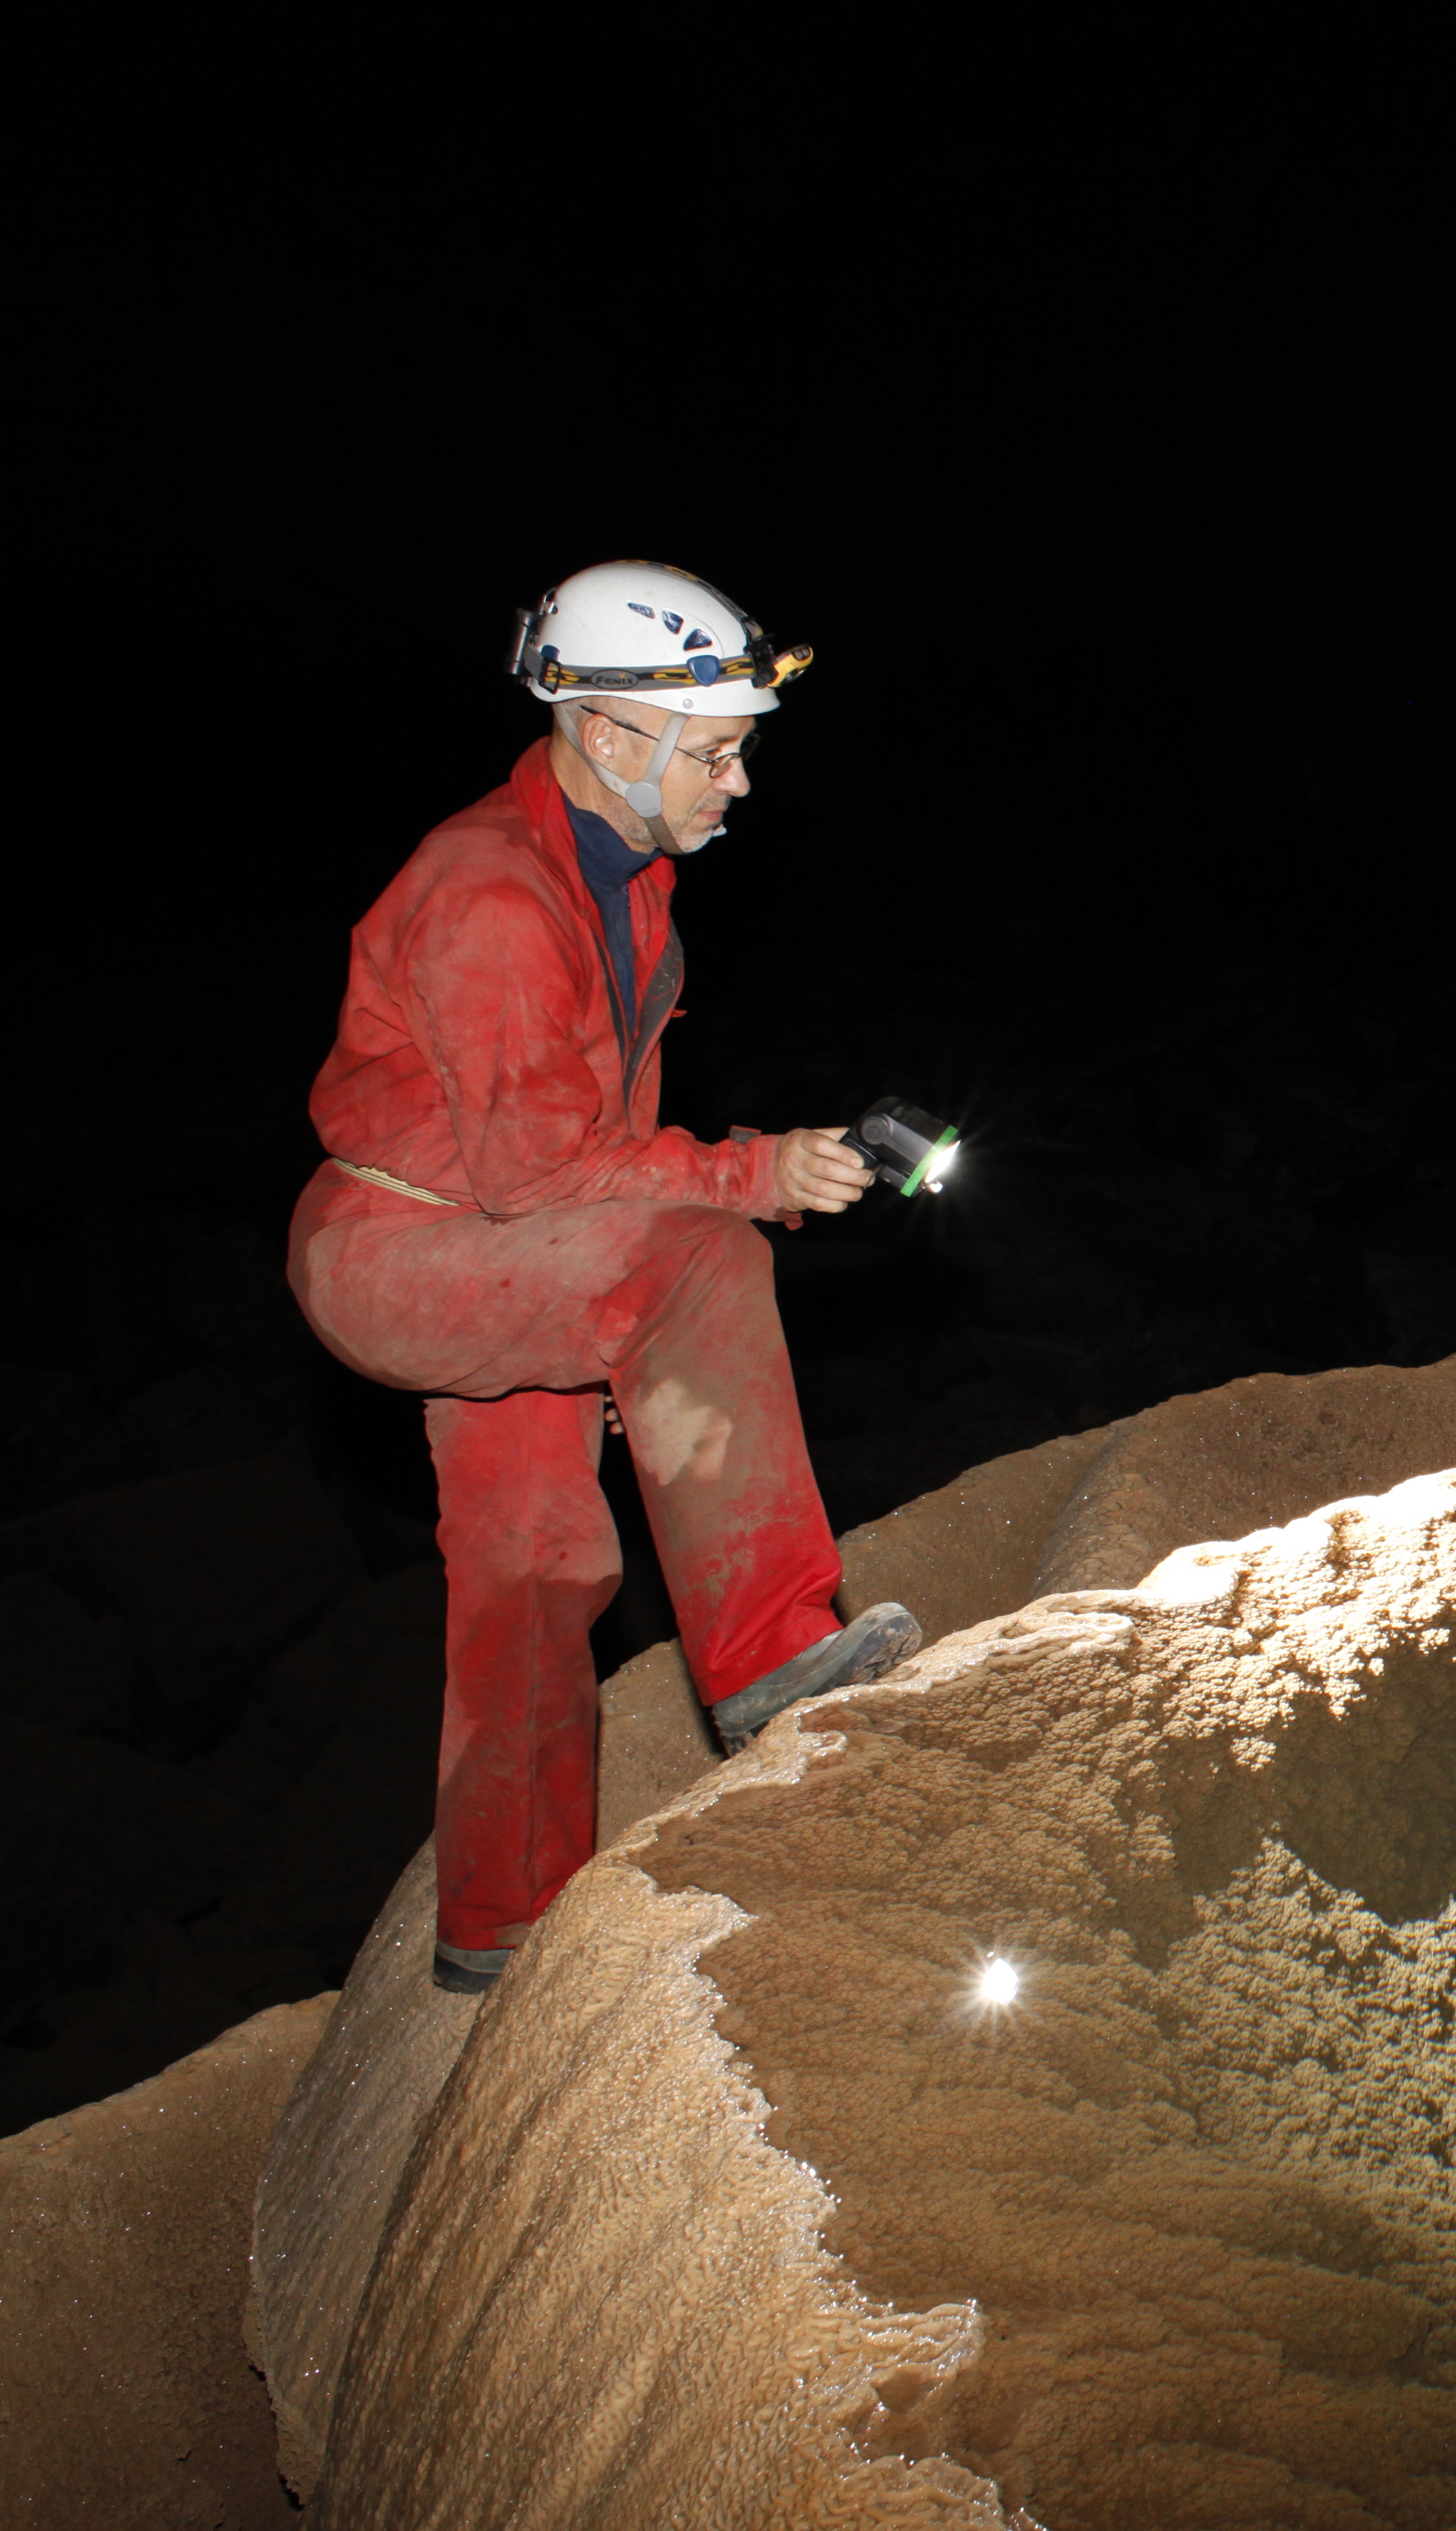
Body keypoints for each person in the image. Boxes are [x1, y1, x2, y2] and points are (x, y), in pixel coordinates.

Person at [287, 561, 921, 1996]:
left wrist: (632, 1340)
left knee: (532, 1564)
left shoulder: (616, 871)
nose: (739, 781)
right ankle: (774, 1662)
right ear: (611, 731)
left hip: (493, 1246)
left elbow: (576, 1146)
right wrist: (747, 1176)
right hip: (411, 1245)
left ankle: (499, 1928)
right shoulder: (494, 894)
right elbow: (533, 1167)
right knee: (705, 1253)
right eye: (716, 751)